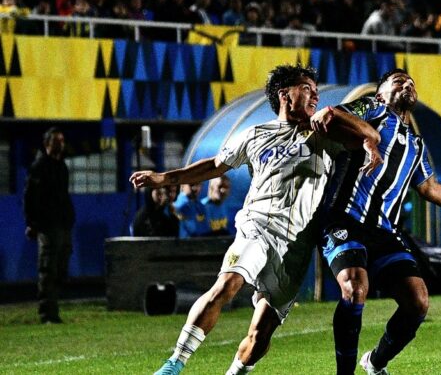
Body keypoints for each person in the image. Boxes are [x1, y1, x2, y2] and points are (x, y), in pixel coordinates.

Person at [130, 64, 382, 375]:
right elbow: (215, 165)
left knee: (260, 335)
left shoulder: (325, 135)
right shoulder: (255, 134)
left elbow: (369, 135)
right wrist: (164, 178)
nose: (315, 95)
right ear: (284, 95)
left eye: (317, 91)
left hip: (296, 245)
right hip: (257, 226)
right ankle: (173, 365)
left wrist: (336, 115)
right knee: (227, 284)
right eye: (307, 88)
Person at [318, 69, 441, 375]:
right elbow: (332, 114)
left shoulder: (416, 144)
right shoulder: (372, 108)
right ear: (381, 92)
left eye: (411, 82)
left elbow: (429, 187)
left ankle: (375, 362)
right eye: (399, 81)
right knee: (355, 288)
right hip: (346, 219)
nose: (407, 85)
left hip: (385, 231)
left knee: (418, 301)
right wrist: (365, 135)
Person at [23, 127, 75, 324]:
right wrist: (32, 223)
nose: (60, 144)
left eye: (62, 141)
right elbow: (30, 197)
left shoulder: (61, 167)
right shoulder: (39, 166)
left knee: (61, 269)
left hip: (63, 224)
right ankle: (48, 314)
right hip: (47, 225)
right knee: (47, 269)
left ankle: (54, 309)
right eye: (56, 141)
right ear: (47, 144)